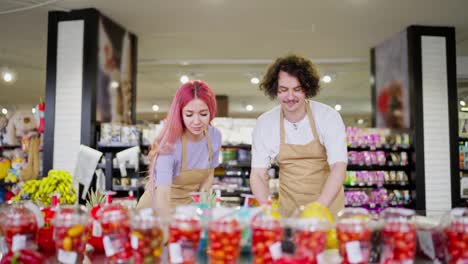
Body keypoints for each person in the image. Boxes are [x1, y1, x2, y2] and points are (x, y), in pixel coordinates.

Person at [250, 54, 347, 217]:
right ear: (275, 89)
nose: (290, 97)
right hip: (289, 213)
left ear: (307, 89)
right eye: (283, 90)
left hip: (328, 210)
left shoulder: (327, 116)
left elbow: (338, 167)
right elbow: (258, 174)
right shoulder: (265, 123)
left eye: (297, 89)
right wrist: (267, 208)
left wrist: (319, 208)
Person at [137, 80, 222, 218]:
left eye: (203, 114)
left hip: (186, 211)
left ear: (211, 112)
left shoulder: (214, 136)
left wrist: (201, 208)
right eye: (189, 114)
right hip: (155, 210)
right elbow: (162, 194)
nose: (196, 121)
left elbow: (209, 176)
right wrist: (166, 226)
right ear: (180, 114)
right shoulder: (170, 145)